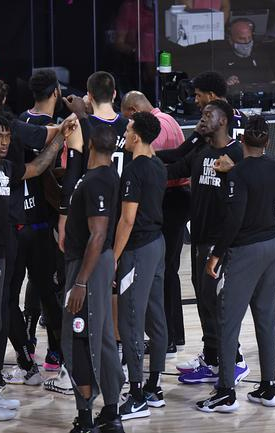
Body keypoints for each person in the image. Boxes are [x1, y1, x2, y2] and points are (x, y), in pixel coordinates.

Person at [0, 113, 70, 421]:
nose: (4, 141)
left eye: (8, 136)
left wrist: (61, 135)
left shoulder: (6, 167)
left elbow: (37, 167)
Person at [196, 115, 275, 413]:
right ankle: (268, 387)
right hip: (272, 247)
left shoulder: (239, 173)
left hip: (245, 251)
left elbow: (234, 219)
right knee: (267, 319)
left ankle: (225, 392)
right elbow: (257, 195)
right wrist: (230, 175)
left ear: (242, 139)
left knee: (228, 320)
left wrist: (216, 255)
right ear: (268, 141)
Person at [166, 99, 248, 386]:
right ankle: (212, 358)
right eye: (201, 115)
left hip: (220, 242)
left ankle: (235, 359)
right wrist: (142, 163)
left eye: (208, 114)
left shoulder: (236, 153)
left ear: (223, 120)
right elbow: (175, 168)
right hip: (199, 239)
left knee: (217, 304)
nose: (202, 119)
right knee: (204, 302)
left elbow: (246, 196)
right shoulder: (200, 150)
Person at [62, 124, 125, 433]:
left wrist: (80, 282)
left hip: (88, 266)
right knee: (102, 339)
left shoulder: (97, 180)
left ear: (89, 145)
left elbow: (97, 234)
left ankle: (85, 419)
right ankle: (111, 413)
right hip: (97, 263)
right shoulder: (106, 174)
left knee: (79, 337)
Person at [121, 90, 187, 355]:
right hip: (180, 198)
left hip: (167, 200)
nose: (127, 130)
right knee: (170, 270)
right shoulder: (171, 120)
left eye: (128, 122)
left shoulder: (150, 136)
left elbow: (151, 171)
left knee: (162, 274)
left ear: (135, 113)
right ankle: (174, 335)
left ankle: (166, 337)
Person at [113, 112, 167, 421]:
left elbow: (127, 219)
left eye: (128, 130)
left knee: (131, 320)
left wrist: (114, 256)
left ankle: (136, 396)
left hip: (138, 249)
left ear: (135, 137)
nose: (125, 134)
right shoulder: (157, 165)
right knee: (156, 317)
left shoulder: (134, 169)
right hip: (157, 245)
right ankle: (154, 387)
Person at [16, 68, 64, 372]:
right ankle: (56, 351)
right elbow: (50, 175)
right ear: (56, 91)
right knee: (49, 285)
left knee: (32, 284)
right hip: (45, 216)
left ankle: (29, 340)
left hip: (21, 214)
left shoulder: (20, 120)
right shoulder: (56, 127)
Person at [220, 18, 274, 88]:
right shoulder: (221, 59)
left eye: (249, 38)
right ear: (231, 40)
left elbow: (273, 82)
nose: (247, 42)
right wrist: (226, 84)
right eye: (242, 39)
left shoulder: (260, 56)